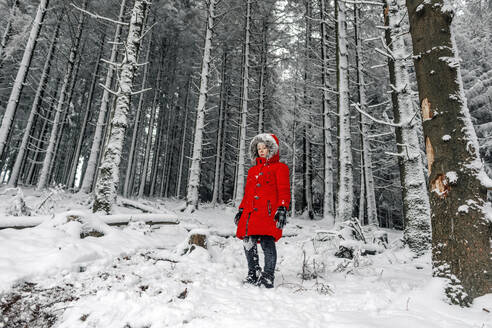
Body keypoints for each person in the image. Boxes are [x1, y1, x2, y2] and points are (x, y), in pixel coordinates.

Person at [234, 133, 291, 288]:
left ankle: (268, 276)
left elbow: (284, 190)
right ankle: (253, 273)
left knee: (267, 243)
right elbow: (248, 193)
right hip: (251, 213)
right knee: (248, 242)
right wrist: (241, 210)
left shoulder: (280, 168)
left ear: (271, 149)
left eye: (264, 147)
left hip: (268, 213)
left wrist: (282, 208)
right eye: (258, 148)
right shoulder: (253, 171)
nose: (261, 150)